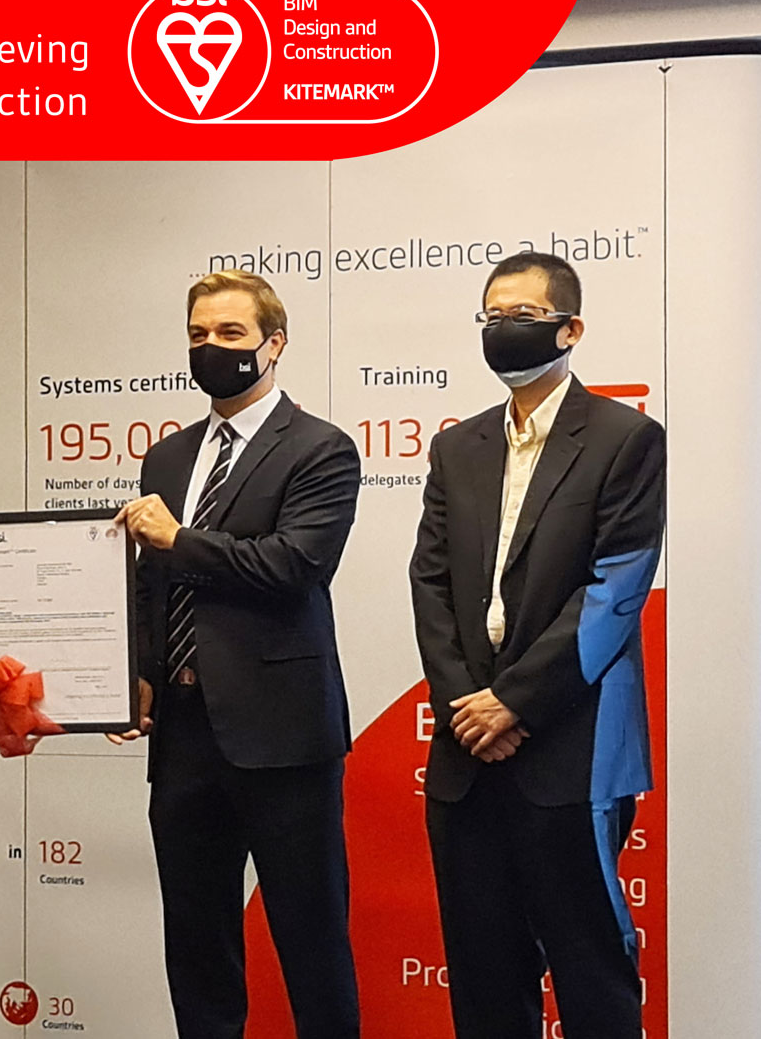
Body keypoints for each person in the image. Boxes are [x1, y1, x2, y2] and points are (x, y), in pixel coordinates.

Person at [410, 253, 665, 1038]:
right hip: (468, 749)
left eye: (521, 315)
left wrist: (514, 702)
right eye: (492, 316)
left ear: (570, 328)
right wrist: (466, 704)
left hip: (572, 745)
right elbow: (429, 580)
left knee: (591, 967)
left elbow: (614, 590)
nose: (502, 329)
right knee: (484, 971)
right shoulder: (459, 448)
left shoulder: (626, 439)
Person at [111, 270, 362, 1039]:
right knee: (197, 944)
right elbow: (151, 582)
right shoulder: (167, 458)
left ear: (273, 343)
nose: (210, 347)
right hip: (184, 734)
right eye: (198, 334)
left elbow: (294, 566)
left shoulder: (321, 448)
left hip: (283, 736)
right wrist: (140, 670)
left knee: (311, 941)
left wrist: (178, 538)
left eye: (229, 333)